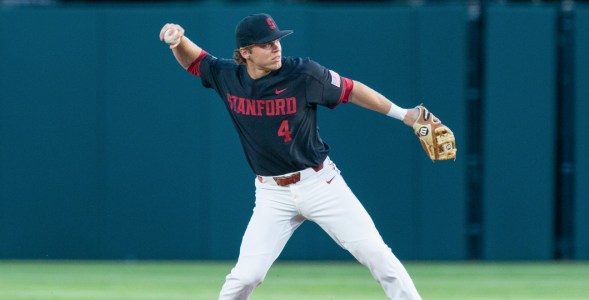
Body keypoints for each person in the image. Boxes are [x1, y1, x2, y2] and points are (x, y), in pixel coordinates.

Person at [160, 13, 422, 300]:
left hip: (321, 183)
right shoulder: (229, 77)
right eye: (266, 44)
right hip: (272, 194)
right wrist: (179, 41)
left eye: (277, 41)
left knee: (377, 255)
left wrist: (404, 114)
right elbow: (196, 62)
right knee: (246, 276)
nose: (276, 47)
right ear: (245, 53)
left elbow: (351, 89)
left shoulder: (303, 73)